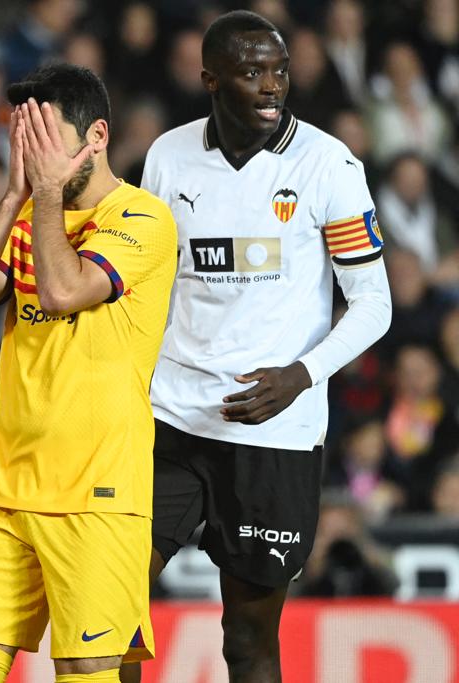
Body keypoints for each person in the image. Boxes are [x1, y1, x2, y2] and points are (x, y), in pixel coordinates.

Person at [123, 11, 392, 683]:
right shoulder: (167, 155)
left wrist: (301, 375)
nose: (272, 87)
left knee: (247, 641)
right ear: (210, 78)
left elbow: (374, 303)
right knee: (112, 611)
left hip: (275, 432)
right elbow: (149, 281)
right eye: (252, 73)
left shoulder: (329, 164)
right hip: (172, 418)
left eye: (279, 71)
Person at [0, 63, 176, 683]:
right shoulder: (23, 215)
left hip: (97, 495)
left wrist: (42, 195)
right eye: (24, 137)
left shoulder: (143, 219)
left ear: (96, 136)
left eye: (47, 137)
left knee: (86, 671)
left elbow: (66, 290)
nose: (32, 153)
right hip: (4, 489)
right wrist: (14, 196)